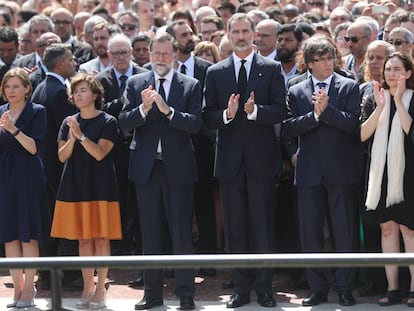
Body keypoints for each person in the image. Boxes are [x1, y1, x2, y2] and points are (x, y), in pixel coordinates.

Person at [203, 13, 287, 309]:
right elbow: (207, 116)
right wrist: (227, 114)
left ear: (254, 34)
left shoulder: (272, 68)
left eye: (245, 31)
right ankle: (240, 288)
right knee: (235, 227)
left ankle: (264, 289)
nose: (240, 36)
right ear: (228, 34)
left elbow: (281, 111)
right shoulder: (215, 71)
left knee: (262, 226)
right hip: (229, 163)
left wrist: (255, 112)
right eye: (235, 31)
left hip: (262, 162)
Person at [119, 32, 202, 311]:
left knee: (180, 234)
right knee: (149, 234)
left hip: (177, 168)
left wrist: (168, 111)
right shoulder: (135, 83)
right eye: (156, 54)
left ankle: (186, 294)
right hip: (147, 169)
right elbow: (124, 122)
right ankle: (152, 294)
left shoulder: (189, 84)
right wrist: (143, 108)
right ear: (149, 54)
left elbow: (195, 124)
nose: (161, 59)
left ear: (175, 54)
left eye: (166, 54)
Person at [284, 35, 361, 307]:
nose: (326, 63)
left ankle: (345, 286)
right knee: (310, 232)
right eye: (319, 60)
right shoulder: (295, 89)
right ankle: (317, 287)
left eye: (329, 58)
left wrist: (327, 112)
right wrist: (315, 116)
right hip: (308, 172)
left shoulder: (350, 87)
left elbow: (354, 126)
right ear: (309, 64)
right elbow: (289, 127)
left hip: (341, 171)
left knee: (344, 231)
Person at [50, 73, 122, 310]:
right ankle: (87, 287)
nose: (78, 95)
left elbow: (100, 153)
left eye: (83, 90)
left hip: (100, 185)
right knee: (83, 237)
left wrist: (80, 135)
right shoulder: (68, 122)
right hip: (75, 184)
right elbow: (62, 156)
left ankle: (101, 288)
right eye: (75, 91)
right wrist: (72, 137)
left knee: (101, 237)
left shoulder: (108, 121)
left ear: (95, 94)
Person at [361, 52, 414, 307]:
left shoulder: (412, 98)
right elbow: (362, 135)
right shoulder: (375, 98)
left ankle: (413, 289)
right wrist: (381, 106)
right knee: (388, 228)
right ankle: (393, 288)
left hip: (408, 174)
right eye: (388, 69)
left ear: (408, 73)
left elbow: (410, 131)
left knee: (408, 229)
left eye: (397, 69)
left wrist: (399, 102)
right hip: (381, 174)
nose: (391, 74)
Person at [0, 68, 48, 309]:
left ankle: (30, 287)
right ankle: (17, 287)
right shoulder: (0, 112)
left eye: (16, 86)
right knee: (10, 234)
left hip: (28, 176)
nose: (11, 91)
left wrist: (12, 129)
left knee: (28, 232)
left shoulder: (37, 111)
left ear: (27, 88)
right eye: (7, 87)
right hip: (5, 176)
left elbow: (33, 148)